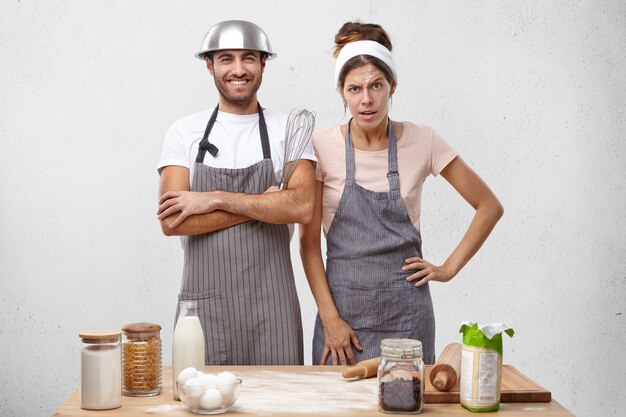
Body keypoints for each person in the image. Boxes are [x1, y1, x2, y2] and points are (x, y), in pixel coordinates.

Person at [299, 22, 504, 365]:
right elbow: (307, 245)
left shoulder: (423, 141)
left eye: (376, 85)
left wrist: (448, 269)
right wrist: (331, 320)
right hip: (342, 324)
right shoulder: (320, 146)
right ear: (341, 92)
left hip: (407, 317)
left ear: (392, 86)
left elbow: (488, 206)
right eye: (355, 89)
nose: (366, 100)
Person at [157, 20, 316, 365]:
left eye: (248, 58)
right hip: (204, 307)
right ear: (210, 65)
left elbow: (302, 206)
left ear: (263, 65)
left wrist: (213, 199)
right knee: (201, 400)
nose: (239, 69)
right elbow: (172, 222)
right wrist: (267, 203)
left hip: (272, 306)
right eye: (226, 59)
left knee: (278, 404)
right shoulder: (184, 132)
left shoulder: (287, 129)